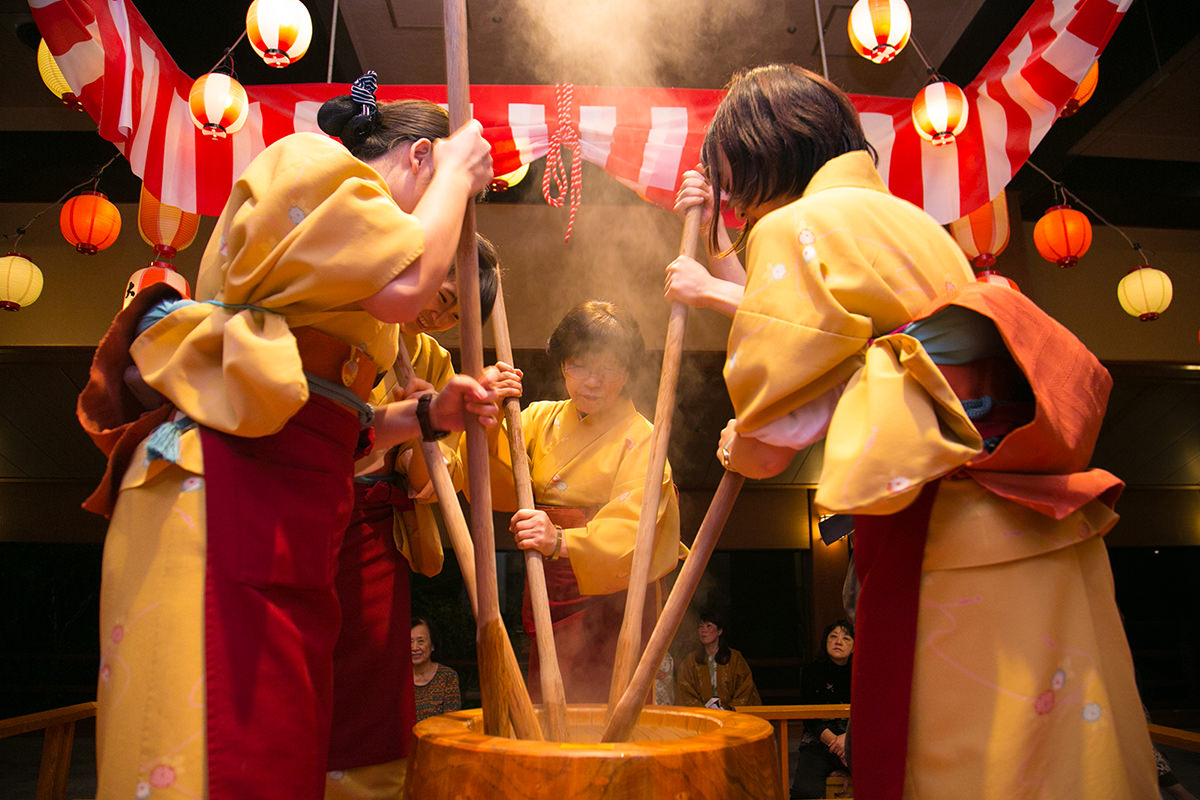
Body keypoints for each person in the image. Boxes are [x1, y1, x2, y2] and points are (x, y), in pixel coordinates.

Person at [669, 64, 1156, 799]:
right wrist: (717, 263)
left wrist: (738, 438)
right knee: (1051, 756)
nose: (735, 202)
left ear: (763, 153)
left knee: (959, 761)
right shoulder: (911, 223)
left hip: (949, 544)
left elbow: (778, 419)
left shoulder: (793, 225)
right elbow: (847, 338)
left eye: (733, 178)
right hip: (1033, 520)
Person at [79, 72, 499, 800]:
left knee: (281, 752)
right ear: (421, 157)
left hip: (286, 506)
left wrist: (429, 418)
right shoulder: (314, 164)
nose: (435, 295)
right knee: (218, 750)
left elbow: (341, 426)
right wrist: (463, 173)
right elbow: (405, 284)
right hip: (220, 495)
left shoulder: (351, 288)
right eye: (446, 217)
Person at [418, 300, 684, 703]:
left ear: (627, 372)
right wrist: (487, 409)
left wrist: (561, 540)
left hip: (612, 597)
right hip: (547, 583)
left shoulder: (644, 438)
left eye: (607, 368)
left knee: (608, 703)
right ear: (562, 366)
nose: (591, 381)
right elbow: (493, 480)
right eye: (578, 364)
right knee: (550, 698)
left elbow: (634, 528)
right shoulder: (538, 418)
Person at [325, 235, 508, 800]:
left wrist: (429, 429)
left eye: (454, 313)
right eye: (443, 295)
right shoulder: (351, 310)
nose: (437, 314)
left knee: (374, 666)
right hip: (315, 499)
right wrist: (408, 415)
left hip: (377, 523)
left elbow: (431, 478)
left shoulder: (433, 358)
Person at [791, 621, 853, 799]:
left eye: (845, 638)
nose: (838, 642)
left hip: (853, 740)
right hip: (819, 742)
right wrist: (836, 743)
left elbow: (869, 713)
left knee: (879, 779)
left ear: (855, 647)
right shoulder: (811, 672)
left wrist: (847, 739)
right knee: (804, 791)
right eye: (833, 637)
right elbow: (810, 718)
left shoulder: (862, 673)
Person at [675, 610, 761, 710]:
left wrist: (729, 709)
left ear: (719, 631)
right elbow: (685, 691)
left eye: (709, 626)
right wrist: (704, 710)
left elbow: (745, 688)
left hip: (730, 715)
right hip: (702, 715)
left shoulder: (735, 658)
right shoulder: (690, 661)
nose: (703, 630)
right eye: (700, 626)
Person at [410, 616, 462, 722]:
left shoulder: (447, 677)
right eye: (410, 641)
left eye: (421, 641)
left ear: (432, 645)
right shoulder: (400, 678)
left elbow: (451, 720)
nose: (414, 648)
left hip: (437, 736)